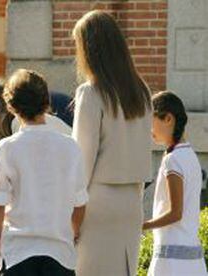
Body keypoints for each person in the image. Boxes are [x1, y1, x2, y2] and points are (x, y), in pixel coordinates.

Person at [71, 11, 153, 275]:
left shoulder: (91, 92)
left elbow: (81, 160)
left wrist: (72, 213)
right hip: (131, 200)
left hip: (96, 200)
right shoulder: (141, 91)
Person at [0, 69, 88, 276]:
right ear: (46, 102)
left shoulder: (7, 148)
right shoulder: (70, 147)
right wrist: (72, 233)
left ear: (11, 106)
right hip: (60, 252)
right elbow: (79, 203)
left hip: (18, 252)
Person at [143, 91, 207, 276]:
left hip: (171, 263)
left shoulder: (173, 160)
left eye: (151, 120)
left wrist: (142, 225)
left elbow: (175, 213)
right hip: (193, 263)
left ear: (168, 118)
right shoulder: (190, 157)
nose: (150, 129)